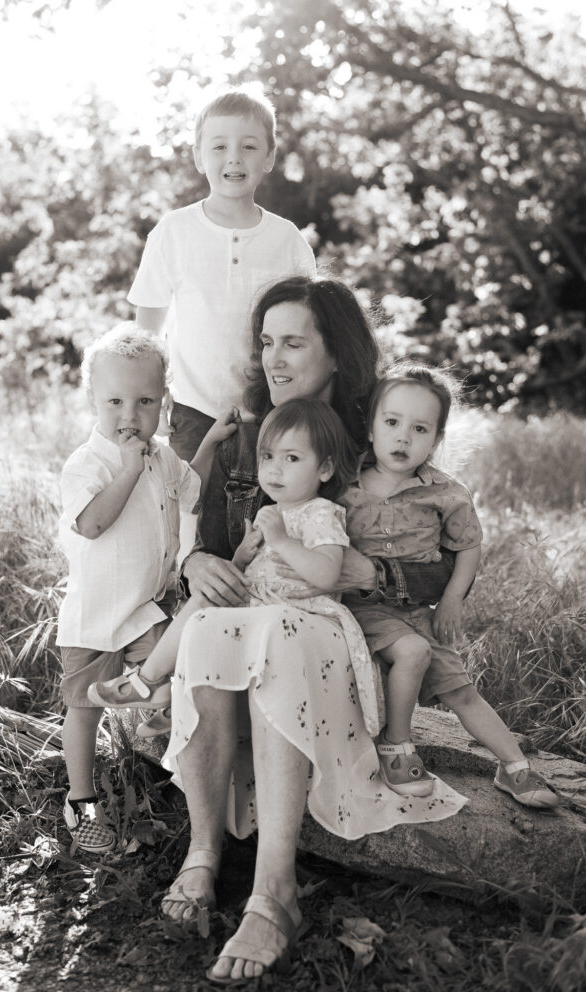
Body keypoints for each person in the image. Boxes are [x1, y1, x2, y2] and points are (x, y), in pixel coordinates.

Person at [159, 276, 467, 985]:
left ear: (338, 352)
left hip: (338, 635)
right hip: (254, 617)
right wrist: (198, 562)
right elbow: (197, 541)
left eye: (293, 341)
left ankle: (275, 894)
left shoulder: (383, 434)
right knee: (208, 630)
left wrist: (372, 576)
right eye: (267, 341)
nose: (274, 356)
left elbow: (438, 566)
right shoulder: (251, 436)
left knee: (282, 636)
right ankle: (204, 851)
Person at [88, 398, 384, 739]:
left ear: (325, 469)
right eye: (268, 456)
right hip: (263, 602)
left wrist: (283, 541)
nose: (274, 469)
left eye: (292, 458)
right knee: (201, 604)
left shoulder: (322, 513)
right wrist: (243, 556)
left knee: (207, 615)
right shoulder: (272, 513)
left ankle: (154, 685)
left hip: (302, 611)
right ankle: (159, 684)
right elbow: (258, 567)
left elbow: (328, 575)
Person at [56, 322, 237, 854]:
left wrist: (208, 442)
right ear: (92, 399)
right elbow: (91, 524)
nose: (129, 416)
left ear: (163, 402)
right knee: (84, 708)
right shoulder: (86, 464)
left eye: (145, 401)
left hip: (145, 608)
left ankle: (164, 745)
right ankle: (81, 800)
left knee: (174, 673)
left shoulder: (160, 455)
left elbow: (190, 488)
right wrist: (129, 470)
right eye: (114, 401)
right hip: (94, 615)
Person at [344, 364, 559, 808]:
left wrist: (452, 600)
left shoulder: (445, 492)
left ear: (437, 439)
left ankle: (514, 767)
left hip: (418, 614)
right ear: (370, 428)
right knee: (413, 653)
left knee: (461, 688)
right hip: (363, 610)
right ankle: (397, 747)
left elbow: (468, 547)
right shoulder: (344, 485)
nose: (403, 438)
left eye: (419, 428)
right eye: (392, 423)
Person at [127, 85, 316, 463]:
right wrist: (150, 392)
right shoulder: (174, 231)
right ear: (199, 156)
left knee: (262, 514)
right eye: (219, 147)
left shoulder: (287, 239)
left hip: (270, 409)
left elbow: (310, 328)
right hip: (193, 407)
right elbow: (148, 327)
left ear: (269, 157)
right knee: (190, 510)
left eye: (248, 146)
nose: (234, 158)